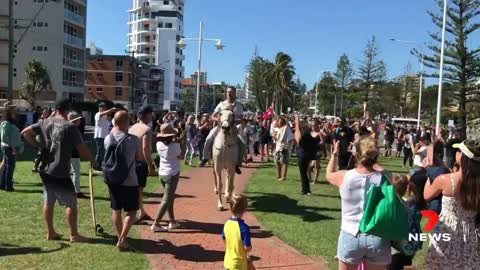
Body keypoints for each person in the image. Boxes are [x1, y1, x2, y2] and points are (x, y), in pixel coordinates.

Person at [22, 100, 95, 242]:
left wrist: (39, 147)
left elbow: (25, 133)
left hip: (45, 168)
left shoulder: (44, 122)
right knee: (71, 203)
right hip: (60, 169)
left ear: (56, 109)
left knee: (49, 201)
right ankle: (74, 234)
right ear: (68, 110)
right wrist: (93, 160)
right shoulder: (70, 127)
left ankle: (50, 233)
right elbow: (83, 150)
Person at [326, 137, 391, 270]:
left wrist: (335, 153)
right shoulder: (385, 177)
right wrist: (373, 162)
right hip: (377, 235)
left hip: (350, 233)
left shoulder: (345, 176)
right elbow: (380, 170)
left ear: (356, 155)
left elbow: (329, 173)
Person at [423, 140, 480, 269]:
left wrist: (430, 171)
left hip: (447, 230)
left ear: (463, 157)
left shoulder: (446, 180)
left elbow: (427, 195)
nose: (456, 153)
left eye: (459, 150)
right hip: (471, 233)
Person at [105, 111, 142, 250]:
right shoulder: (133, 140)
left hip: (112, 178)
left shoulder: (108, 138)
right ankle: (122, 238)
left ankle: (120, 237)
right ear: (127, 122)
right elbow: (139, 158)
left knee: (116, 209)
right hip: (129, 180)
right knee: (132, 211)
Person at [199, 86, 244, 175]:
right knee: (208, 139)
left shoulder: (238, 105)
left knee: (242, 143)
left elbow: (241, 119)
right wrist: (220, 120)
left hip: (233, 128)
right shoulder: (221, 104)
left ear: (235, 94)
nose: (229, 94)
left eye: (231, 92)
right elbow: (212, 116)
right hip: (220, 127)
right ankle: (205, 157)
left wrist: (231, 120)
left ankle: (237, 164)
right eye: (227, 92)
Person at [151, 123, 182, 232]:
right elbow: (181, 157)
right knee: (166, 199)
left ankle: (172, 221)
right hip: (171, 175)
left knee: (169, 198)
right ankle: (156, 223)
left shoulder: (158, 144)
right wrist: (182, 141)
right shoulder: (175, 146)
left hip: (162, 174)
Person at [128, 105, 155, 222]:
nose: (152, 116)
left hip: (131, 161)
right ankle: (134, 215)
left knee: (134, 189)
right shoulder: (146, 130)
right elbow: (145, 149)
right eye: (151, 113)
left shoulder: (132, 127)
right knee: (138, 190)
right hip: (140, 163)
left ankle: (141, 211)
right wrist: (150, 165)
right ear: (147, 115)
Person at [222, 193, 253, 270]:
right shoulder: (244, 228)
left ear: (230, 207)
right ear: (245, 209)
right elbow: (247, 248)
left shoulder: (226, 224)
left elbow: (224, 239)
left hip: (228, 261)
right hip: (239, 264)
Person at [294, 113, 321, 195]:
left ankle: (306, 190)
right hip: (306, 155)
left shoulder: (305, 136)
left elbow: (299, 129)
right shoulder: (309, 135)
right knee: (304, 173)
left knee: (303, 173)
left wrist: (297, 119)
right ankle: (306, 190)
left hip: (303, 155)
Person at [0, 102, 23, 191]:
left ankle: (3, 185)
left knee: (7, 166)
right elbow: (5, 138)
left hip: (10, 147)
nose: (15, 112)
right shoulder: (6, 123)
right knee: (10, 167)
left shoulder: (9, 123)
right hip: (9, 148)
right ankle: (8, 186)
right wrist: (13, 148)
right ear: (9, 112)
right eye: (14, 111)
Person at [68, 112, 87, 198]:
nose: (80, 120)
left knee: (71, 172)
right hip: (73, 153)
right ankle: (76, 191)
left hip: (69, 153)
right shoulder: (74, 129)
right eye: (78, 119)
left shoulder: (68, 128)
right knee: (75, 172)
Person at [94, 103, 116, 170]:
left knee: (103, 152)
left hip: (104, 136)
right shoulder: (98, 114)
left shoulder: (105, 116)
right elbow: (103, 114)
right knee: (100, 152)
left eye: (105, 108)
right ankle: (96, 166)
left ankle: (100, 165)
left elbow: (110, 121)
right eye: (103, 108)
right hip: (99, 136)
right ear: (99, 108)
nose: (104, 109)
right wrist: (111, 110)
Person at [272, 116, 291, 181]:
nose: (279, 123)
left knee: (284, 162)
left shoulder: (286, 128)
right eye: (279, 121)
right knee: (278, 162)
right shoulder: (277, 129)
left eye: (280, 122)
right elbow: (276, 140)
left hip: (283, 147)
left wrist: (288, 147)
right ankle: (279, 175)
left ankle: (284, 177)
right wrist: (274, 136)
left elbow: (290, 138)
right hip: (277, 148)